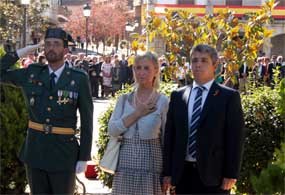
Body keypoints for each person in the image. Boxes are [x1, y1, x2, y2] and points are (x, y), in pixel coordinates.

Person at [0, 27, 93, 195]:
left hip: (64, 153)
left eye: (56, 44)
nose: (51, 48)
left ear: (65, 50)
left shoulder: (78, 78)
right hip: (36, 151)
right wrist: (20, 52)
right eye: (48, 44)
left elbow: (87, 120)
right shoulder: (32, 74)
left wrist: (83, 156)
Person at [162, 44, 245, 195]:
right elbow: (170, 137)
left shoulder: (228, 97)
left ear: (215, 65)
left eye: (204, 60)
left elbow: (235, 138)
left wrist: (231, 173)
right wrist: (167, 172)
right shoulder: (178, 96)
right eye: (194, 60)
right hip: (182, 175)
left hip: (215, 177)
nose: (198, 64)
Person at [108, 51, 169, 195]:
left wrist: (168, 173)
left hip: (151, 168)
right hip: (124, 168)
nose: (142, 72)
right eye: (138, 68)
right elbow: (112, 130)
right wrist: (137, 113)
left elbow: (167, 140)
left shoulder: (162, 102)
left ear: (156, 70)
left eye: (146, 68)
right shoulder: (123, 100)